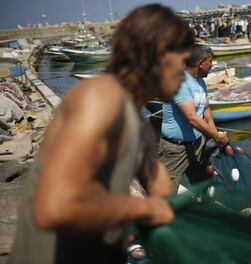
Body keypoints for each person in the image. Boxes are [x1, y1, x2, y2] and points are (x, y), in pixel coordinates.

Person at [10, 5, 194, 264]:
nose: (184, 76)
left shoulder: (139, 126)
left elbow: (159, 188)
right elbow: (55, 206)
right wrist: (141, 207)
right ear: (158, 56)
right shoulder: (98, 100)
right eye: (182, 62)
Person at [158, 45, 228, 193]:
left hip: (197, 145)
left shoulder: (200, 81)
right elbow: (192, 118)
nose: (212, 65)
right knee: (165, 193)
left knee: (204, 185)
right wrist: (216, 136)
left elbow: (206, 108)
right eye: (210, 61)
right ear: (201, 63)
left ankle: (201, 209)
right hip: (175, 149)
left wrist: (215, 133)